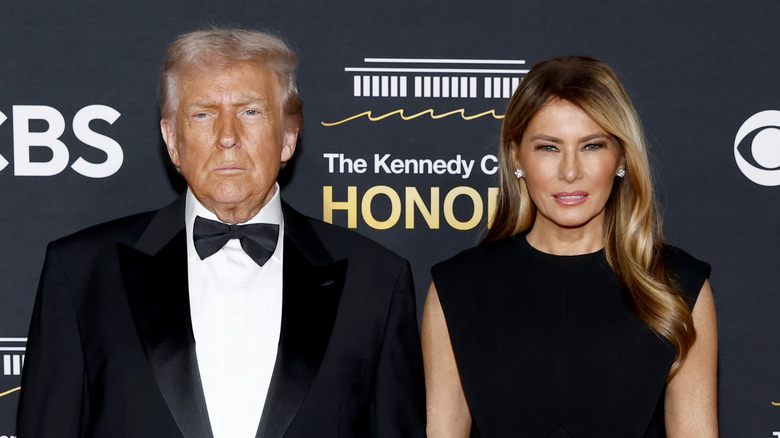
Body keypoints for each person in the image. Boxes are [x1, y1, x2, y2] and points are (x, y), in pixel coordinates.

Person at [17, 28, 425, 438]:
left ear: (287, 137)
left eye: (251, 111)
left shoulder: (376, 282)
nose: (227, 136)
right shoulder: (81, 274)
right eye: (203, 114)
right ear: (172, 141)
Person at [422, 55, 717, 437]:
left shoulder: (675, 286)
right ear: (516, 156)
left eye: (591, 146)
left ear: (621, 156)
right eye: (549, 147)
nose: (570, 172)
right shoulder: (458, 289)